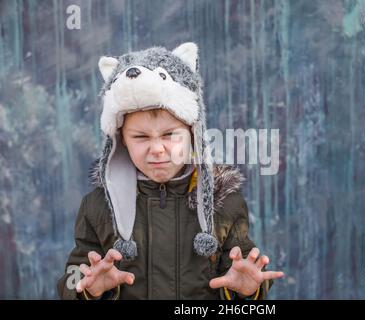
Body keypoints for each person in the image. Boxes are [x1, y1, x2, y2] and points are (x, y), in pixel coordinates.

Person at [57, 42, 284, 299]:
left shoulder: (226, 206)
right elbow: (72, 277)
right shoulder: (97, 207)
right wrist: (87, 288)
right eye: (141, 137)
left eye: (170, 135)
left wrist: (248, 291)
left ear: (193, 134)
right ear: (121, 141)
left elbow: (245, 274)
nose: (157, 149)